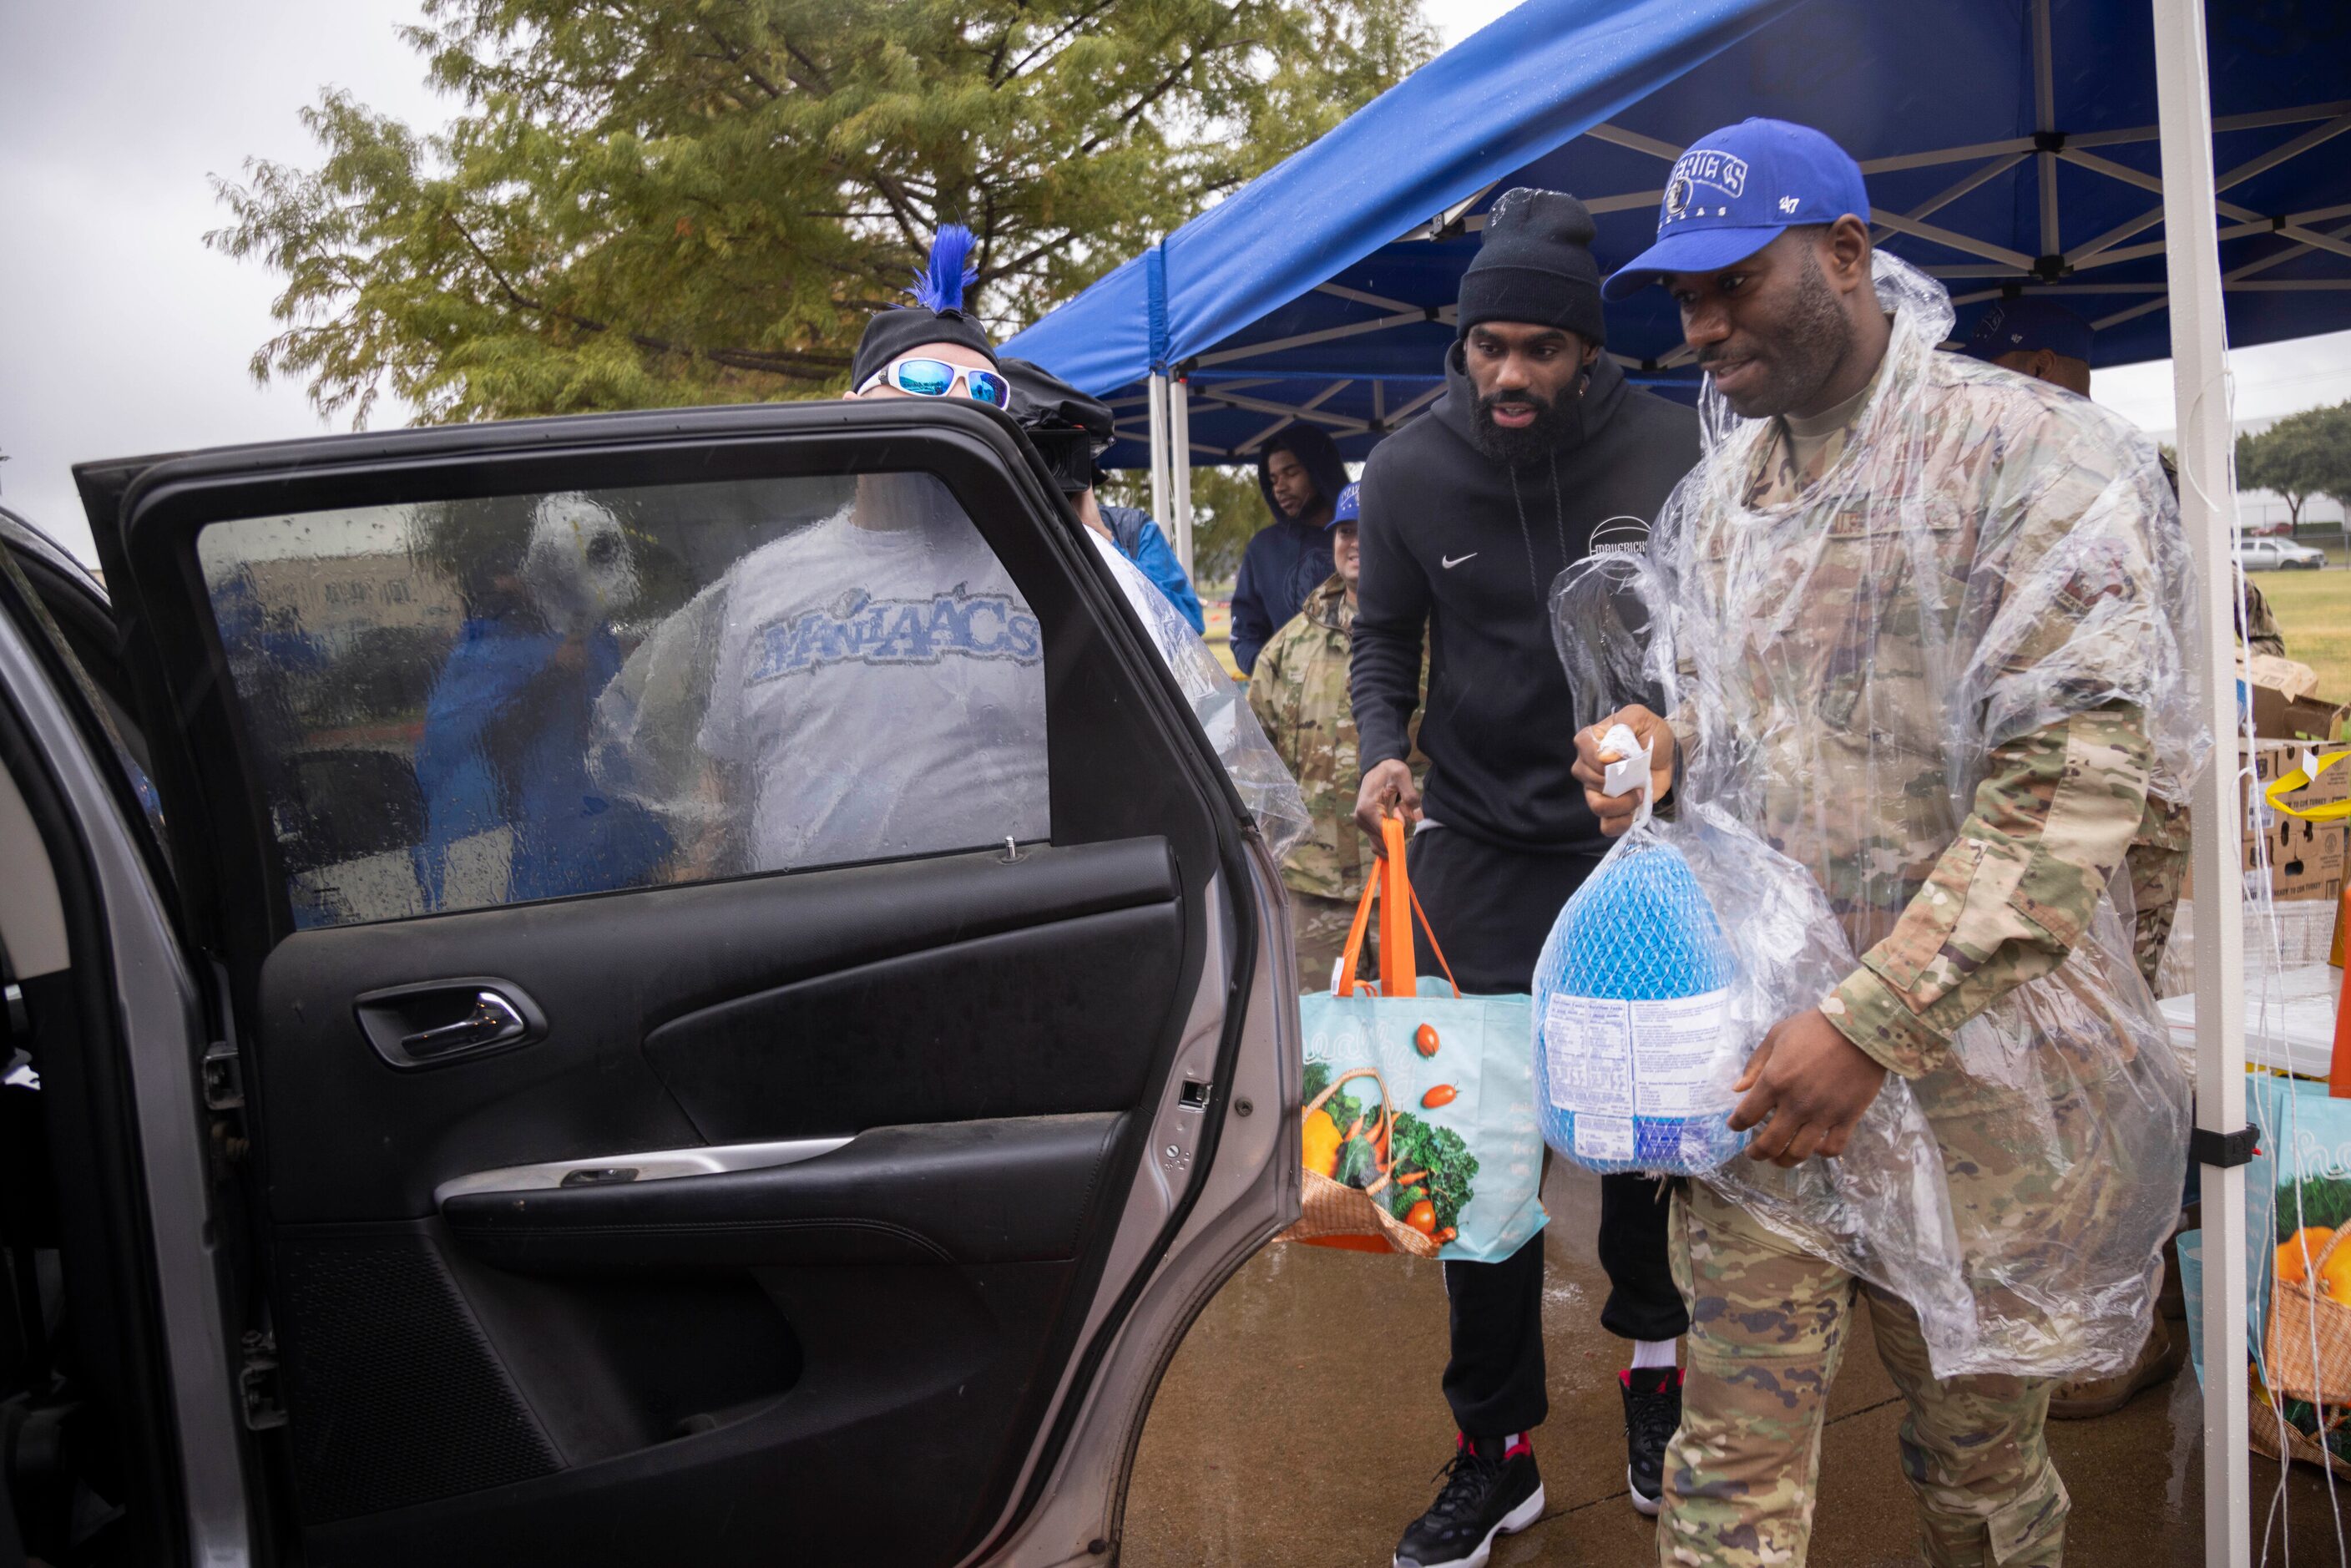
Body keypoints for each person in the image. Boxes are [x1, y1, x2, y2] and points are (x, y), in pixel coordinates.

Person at [1590, 117, 2196, 1566]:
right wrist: (1662, 756)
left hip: (1968, 1083)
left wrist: (1869, 1023)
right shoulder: (1725, 498)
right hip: (1770, 1087)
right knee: (1725, 1484)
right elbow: (1728, 721)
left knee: (1977, 1474)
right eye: (1680, 295)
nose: (1700, 321)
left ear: (1848, 254)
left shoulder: (2031, 456)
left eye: (1732, 281)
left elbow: (2075, 789)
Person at [1347, 186, 1703, 1566]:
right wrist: (1385, 749)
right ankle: (1493, 1453)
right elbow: (1384, 641)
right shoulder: (1412, 468)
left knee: (1638, 1154)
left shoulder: (1673, 448)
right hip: (1474, 861)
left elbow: (1723, 646)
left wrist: (1674, 744)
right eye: (1488, 344)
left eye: (1538, 350)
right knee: (1472, 1174)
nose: (1508, 373)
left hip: (1636, 859)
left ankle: (1655, 1381)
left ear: (1585, 348)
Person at [1964, 295, 2273, 1420]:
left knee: (2109, 1051)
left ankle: (2125, 1319)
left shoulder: (2129, 474)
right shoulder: (2024, 471)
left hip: (2123, 813)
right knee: (2048, 1054)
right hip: (2039, 807)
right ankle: (2071, 1303)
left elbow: (2232, 637)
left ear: (2051, 361)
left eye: (2007, 364)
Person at [677, 227, 1050, 875]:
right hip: (813, 947)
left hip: (1019, 932)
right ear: (850, 412)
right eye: (926, 379)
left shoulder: (1048, 568)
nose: (960, 399)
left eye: (986, 391)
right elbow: (723, 783)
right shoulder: (764, 580)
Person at [1247, 481, 1423, 985]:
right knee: (1317, 1048)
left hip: (1406, 882)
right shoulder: (1287, 648)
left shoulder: (1433, 640)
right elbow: (1253, 767)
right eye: (1346, 531)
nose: (1356, 543)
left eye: (1370, 531)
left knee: (1414, 1039)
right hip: (1313, 890)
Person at [1231, 424, 1349, 674]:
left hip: (1360, 699)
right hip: (1286, 706)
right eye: (1273, 480)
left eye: (1290, 473)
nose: (1280, 487)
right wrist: (1273, 668)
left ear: (1319, 471)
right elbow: (1245, 636)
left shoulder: (1364, 538)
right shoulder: (1262, 550)